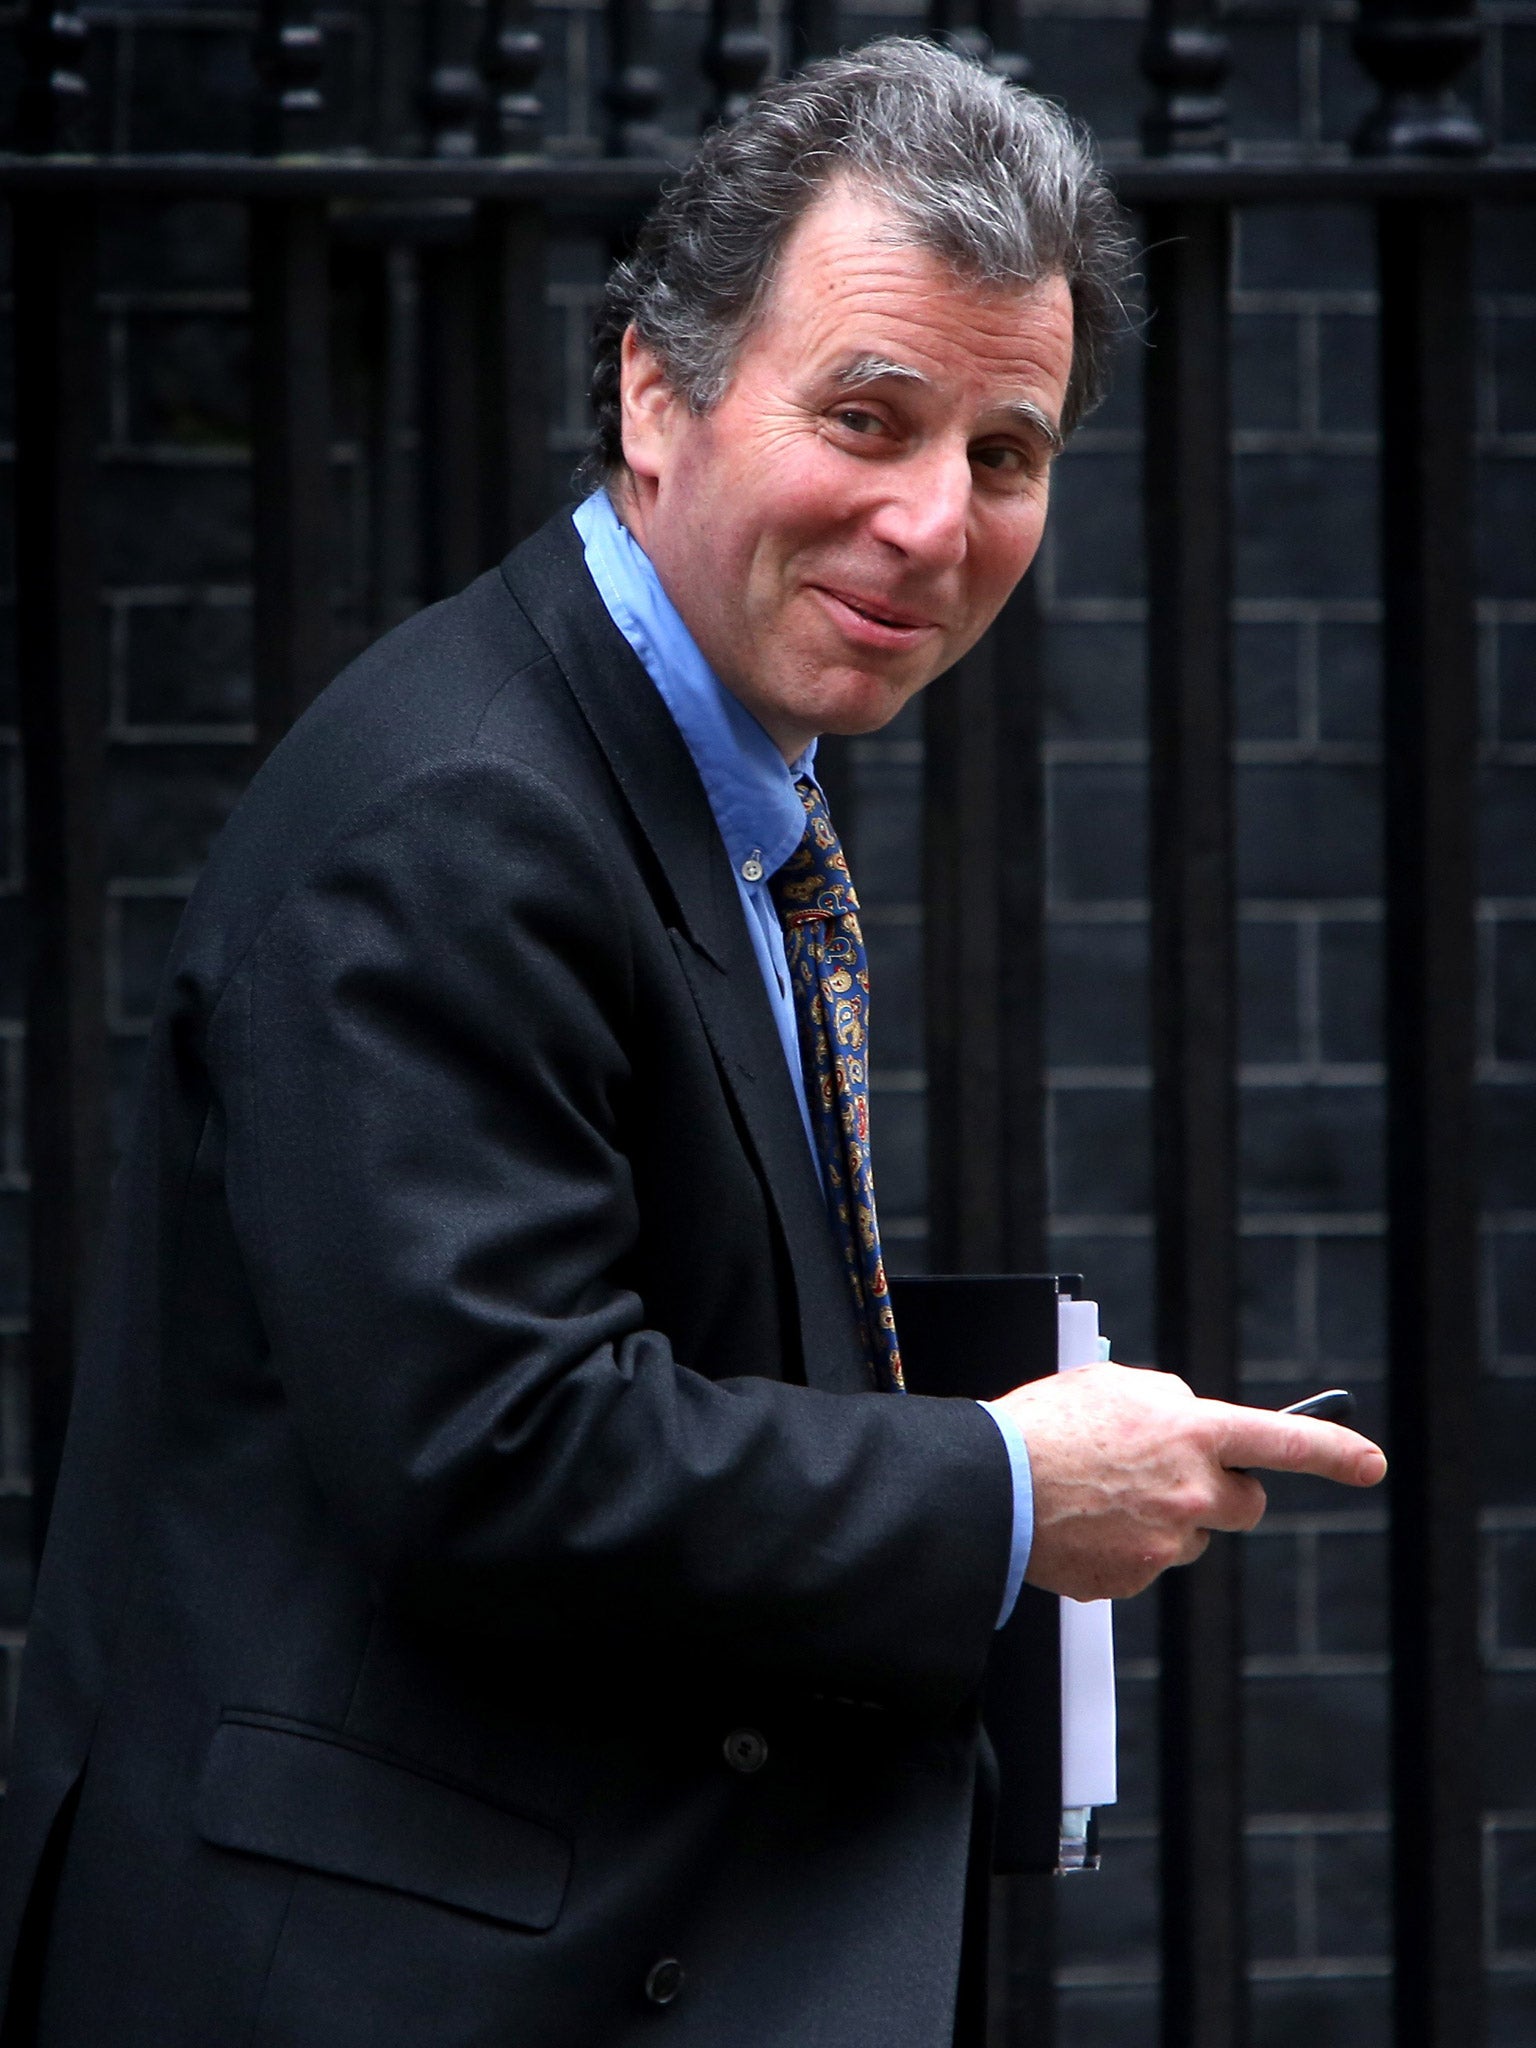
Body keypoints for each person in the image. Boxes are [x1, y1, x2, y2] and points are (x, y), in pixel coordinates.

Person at [0, 38, 1386, 2048]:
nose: (933, 520)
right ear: (654, 391)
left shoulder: (691, 769)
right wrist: (1002, 1486)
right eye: (870, 416)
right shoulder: (465, 810)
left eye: (1003, 453)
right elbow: (504, 1449)